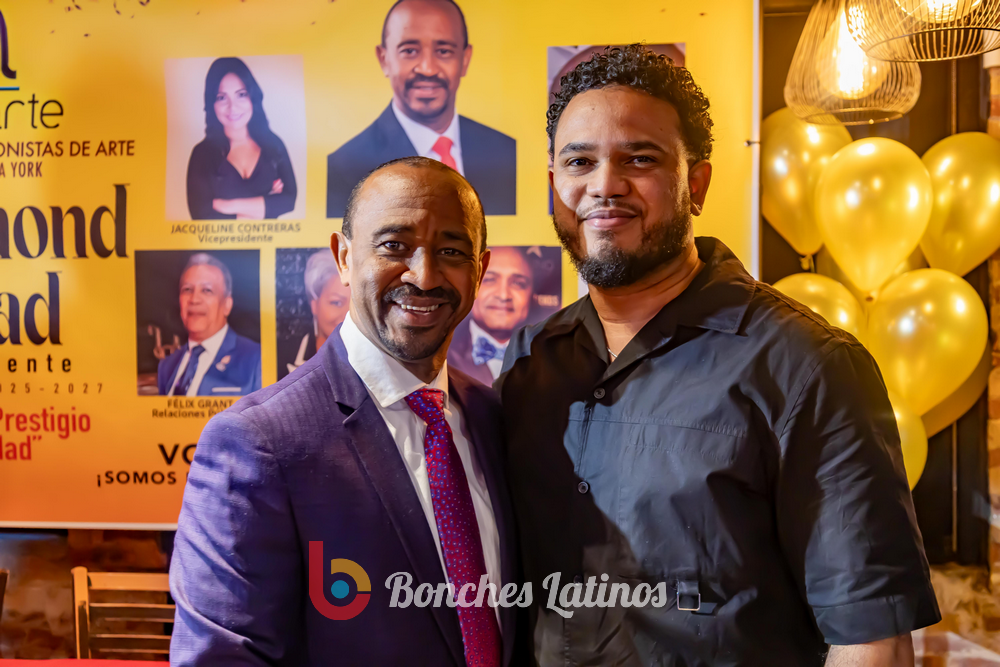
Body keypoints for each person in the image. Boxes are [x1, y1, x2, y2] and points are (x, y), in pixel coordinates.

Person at [496, 45, 940, 666]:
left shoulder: (806, 364)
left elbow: (870, 636)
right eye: (579, 161)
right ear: (554, 185)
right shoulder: (530, 360)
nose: (604, 185)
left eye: (640, 159)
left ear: (696, 184)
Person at [171, 157, 524, 666]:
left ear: (480, 270)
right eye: (394, 246)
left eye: (451, 250)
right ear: (343, 257)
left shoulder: (495, 419)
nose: (424, 275)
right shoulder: (258, 441)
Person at [326, 0, 516, 218]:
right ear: (384, 59)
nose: (427, 68)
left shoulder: (505, 150)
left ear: (465, 59)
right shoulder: (345, 167)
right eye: (409, 51)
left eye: (444, 51)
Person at [187, 57, 297, 220]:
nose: (232, 107)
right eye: (221, 97)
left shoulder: (274, 145)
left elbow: (289, 201)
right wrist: (265, 205)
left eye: (241, 95)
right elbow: (200, 214)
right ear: (212, 104)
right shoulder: (201, 153)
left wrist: (227, 206)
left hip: (268, 238)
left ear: (253, 97)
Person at [157, 253, 261, 397]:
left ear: (227, 305)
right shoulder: (167, 366)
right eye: (187, 290)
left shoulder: (256, 360)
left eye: (207, 290)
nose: (194, 299)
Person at [449, 246, 534, 386]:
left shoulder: (552, 357)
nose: (503, 295)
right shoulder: (440, 355)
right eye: (489, 280)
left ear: (531, 294)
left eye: (518, 283)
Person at [279, 249, 351, 378]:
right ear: (314, 305)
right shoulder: (283, 356)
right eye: (336, 303)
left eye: (355, 305)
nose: (347, 315)